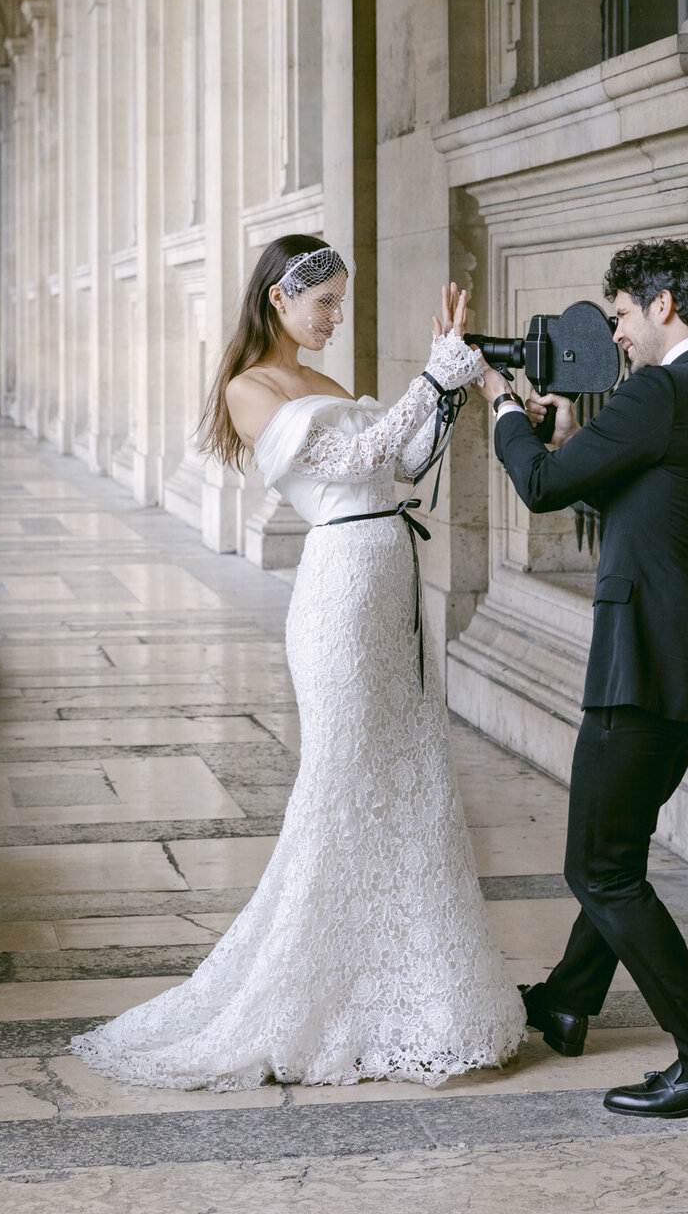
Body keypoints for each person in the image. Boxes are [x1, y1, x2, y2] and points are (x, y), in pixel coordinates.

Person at [72, 234, 524, 1091]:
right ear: (278, 298)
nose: (336, 318)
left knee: (409, 776)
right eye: (325, 304)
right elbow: (348, 461)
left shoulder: (319, 380)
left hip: (389, 576)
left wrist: (451, 388)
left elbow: (401, 462)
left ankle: (415, 993)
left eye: (342, 303)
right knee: (344, 782)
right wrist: (431, 376)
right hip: (341, 592)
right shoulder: (250, 389)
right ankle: (301, 993)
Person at [477, 237, 688, 1119]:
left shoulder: (662, 390)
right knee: (618, 848)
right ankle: (569, 1000)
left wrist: (500, 407)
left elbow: (538, 485)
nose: (617, 339)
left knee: (598, 869)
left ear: (664, 307)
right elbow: (664, 509)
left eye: (621, 318)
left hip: (644, 665)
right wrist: (577, 442)